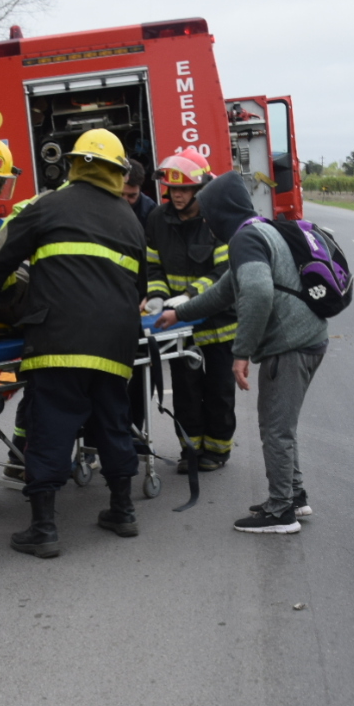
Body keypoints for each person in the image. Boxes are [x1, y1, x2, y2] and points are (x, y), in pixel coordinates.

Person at [0, 128, 146, 557]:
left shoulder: (47, 205)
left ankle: (44, 528)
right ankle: (123, 510)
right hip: (116, 345)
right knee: (113, 423)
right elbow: (140, 286)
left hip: (56, 340)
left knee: (50, 428)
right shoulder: (131, 219)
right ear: (117, 172)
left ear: (74, 164)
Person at [155, 171, 327, 533]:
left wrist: (241, 353)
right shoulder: (260, 230)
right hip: (306, 340)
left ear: (221, 211)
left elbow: (258, 293)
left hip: (291, 345)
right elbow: (224, 290)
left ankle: (281, 512)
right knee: (280, 425)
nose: (206, 222)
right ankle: (293, 496)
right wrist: (178, 313)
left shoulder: (245, 240)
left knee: (276, 429)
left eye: (209, 213)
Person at [144, 149, 235, 473]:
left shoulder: (216, 220)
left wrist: (189, 296)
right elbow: (153, 267)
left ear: (200, 189)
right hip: (177, 325)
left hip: (218, 323)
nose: (178, 195)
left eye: (184, 189)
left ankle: (218, 450)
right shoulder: (157, 218)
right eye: (173, 189)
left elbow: (225, 272)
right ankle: (191, 451)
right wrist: (156, 297)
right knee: (184, 390)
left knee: (218, 390)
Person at [122, 160, 156, 226]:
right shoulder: (103, 203)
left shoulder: (151, 211)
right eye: (121, 194)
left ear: (140, 189)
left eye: (131, 196)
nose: (125, 200)